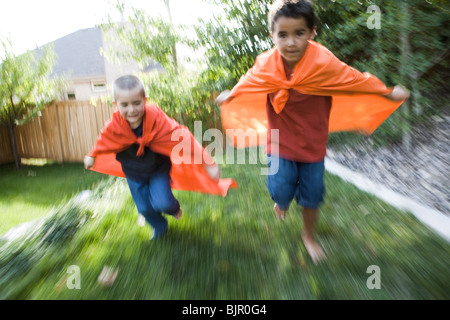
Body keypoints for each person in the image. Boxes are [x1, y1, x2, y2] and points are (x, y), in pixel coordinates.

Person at [216, 0, 409, 263]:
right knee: (281, 188)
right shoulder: (266, 64)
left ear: (312, 33)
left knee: (312, 196)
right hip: (280, 143)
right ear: (272, 35)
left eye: (299, 33)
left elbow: (354, 79)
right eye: (282, 35)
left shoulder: (323, 63)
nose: (291, 42)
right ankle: (281, 200)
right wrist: (232, 95)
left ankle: (309, 236)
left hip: (313, 145)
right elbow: (249, 82)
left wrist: (385, 93)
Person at [85, 75, 235, 239]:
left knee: (163, 203)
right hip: (133, 173)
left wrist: (209, 164)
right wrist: (92, 155)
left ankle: (174, 209)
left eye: (136, 103)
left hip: (158, 169)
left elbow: (183, 137)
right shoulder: (114, 126)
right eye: (125, 105)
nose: (132, 109)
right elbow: (104, 140)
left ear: (145, 100)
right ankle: (160, 226)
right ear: (116, 104)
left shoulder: (156, 118)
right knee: (144, 209)